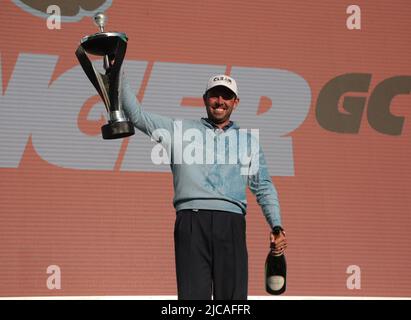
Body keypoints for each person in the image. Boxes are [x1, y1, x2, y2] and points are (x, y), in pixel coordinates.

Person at [120, 74, 287, 300]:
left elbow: (263, 187)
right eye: (214, 95)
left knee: (232, 304)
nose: (220, 101)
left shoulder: (248, 142)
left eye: (226, 96)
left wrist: (276, 225)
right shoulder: (178, 131)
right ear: (205, 99)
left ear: (235, 102)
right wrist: (118, 70)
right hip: (191, 222)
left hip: (231, 224)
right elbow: (137, 116)